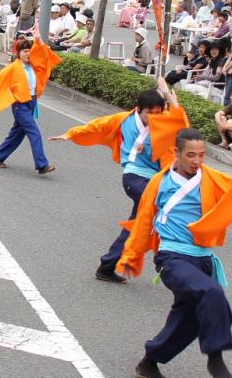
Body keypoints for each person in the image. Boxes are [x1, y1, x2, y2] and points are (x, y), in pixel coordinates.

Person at [118, 128, 232, 378]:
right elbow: (144, 221)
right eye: (191, 155)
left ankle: (149, 362)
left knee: (191, 318)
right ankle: (215, 356)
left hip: (202, 260)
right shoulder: (159, 183)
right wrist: (131, 256)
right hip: (172, 258)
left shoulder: (211, 179)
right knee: (211, 293)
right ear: (176, 153)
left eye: (202, 155)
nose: (197, 160)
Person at [50, 80, 187, 283]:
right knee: (161, 215)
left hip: (151, 181)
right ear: (139, 109)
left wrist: (170, 99)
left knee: (138, 223)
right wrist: (71, 134)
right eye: (150, 112)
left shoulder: (161, 124)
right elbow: (98, 126)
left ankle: (108, 266)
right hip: (135, 178)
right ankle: (171, 261)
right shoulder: (123, 119)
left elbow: (183, 129)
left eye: (158, 112)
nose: (154, 117)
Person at [0, 40, 60, 176]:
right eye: (25, 51)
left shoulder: (34, 65)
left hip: (31, 102)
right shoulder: (13, 68)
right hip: (20, 104)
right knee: (34, 132)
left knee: (17, 134)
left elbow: (46, 55)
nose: (28, 54)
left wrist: (39, 40)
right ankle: (42, 165)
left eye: (30, 51)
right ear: (18, 53)